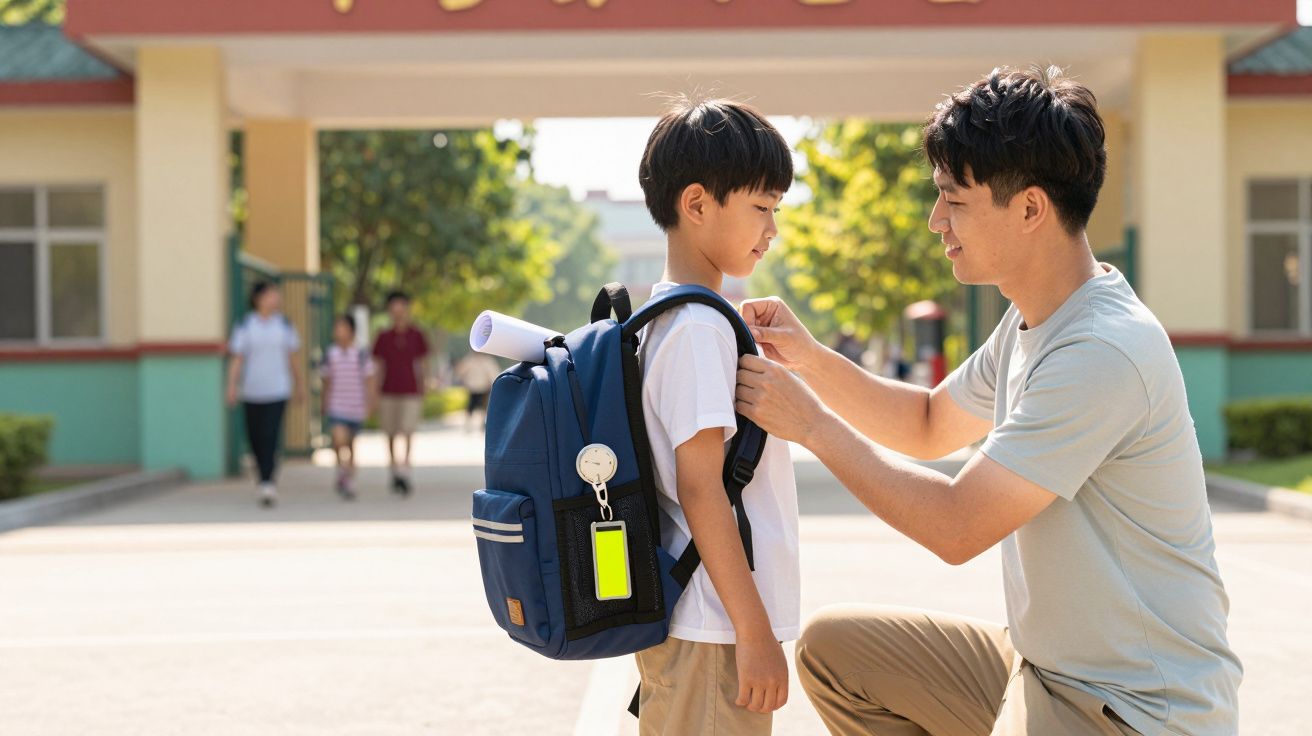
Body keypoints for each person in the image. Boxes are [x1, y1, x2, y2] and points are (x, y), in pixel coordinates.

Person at [733, 67, 1241, 736]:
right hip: (1044, 669)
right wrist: (809, 358)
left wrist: (813, 427)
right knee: (837, 654)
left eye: (955, 199)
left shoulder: (1102, 351)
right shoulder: (1033, 317)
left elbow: (957, 526)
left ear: (1030, 209)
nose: (935, 220)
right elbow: (927, 424)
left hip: (1134, 711)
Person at [631, 99, 797, 735]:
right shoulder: (700, 327)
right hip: (715, 624)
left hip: (700, 615)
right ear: (696, 204)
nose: (772, 228)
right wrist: (753, 632)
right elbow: (700, 487)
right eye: (761, 207)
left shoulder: (670, 316)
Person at [226, 281, 304, 508]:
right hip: (251, 391)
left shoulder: (284, 325)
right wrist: (231, 385)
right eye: (271, 294)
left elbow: (293, 358)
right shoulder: (245, 325)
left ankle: (268, 481)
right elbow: (237, 359)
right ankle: (263, 477)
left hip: (278, 389)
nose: (275, 298)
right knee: (255, 438)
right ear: (258, 298)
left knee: (271, 435)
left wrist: (299, 385)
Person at [371, 291, 429, 497]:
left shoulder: (416, 335)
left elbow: (422, 363)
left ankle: (405, 467)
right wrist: (374, 393)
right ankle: (393, 467)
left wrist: (424, 387)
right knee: (389, 431)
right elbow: (378, 366)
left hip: (410, 390)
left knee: (407, 430)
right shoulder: (383, 336)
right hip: (388, 390)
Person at [321, 314, 375, 500]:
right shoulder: (330, 354)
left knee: (351, 444)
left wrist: (369, 402)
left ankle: (349, 476)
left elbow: (369, 380)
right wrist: (324, 401)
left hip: (355, 404)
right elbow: (326, 381)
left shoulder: (360, 354)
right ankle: (341, 468)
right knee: (338, 439)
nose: (339, 332)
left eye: (343, 327)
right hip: (337, 404)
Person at [452, 351, 501, 433]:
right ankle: (468, 424)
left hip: (484, 387)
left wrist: (493, 384)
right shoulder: (469, 360)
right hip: (473, 388)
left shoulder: (487, 361)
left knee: (484, 407)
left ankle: (483, 424)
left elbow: (493, 373)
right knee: (471, 407)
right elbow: (461, 371)